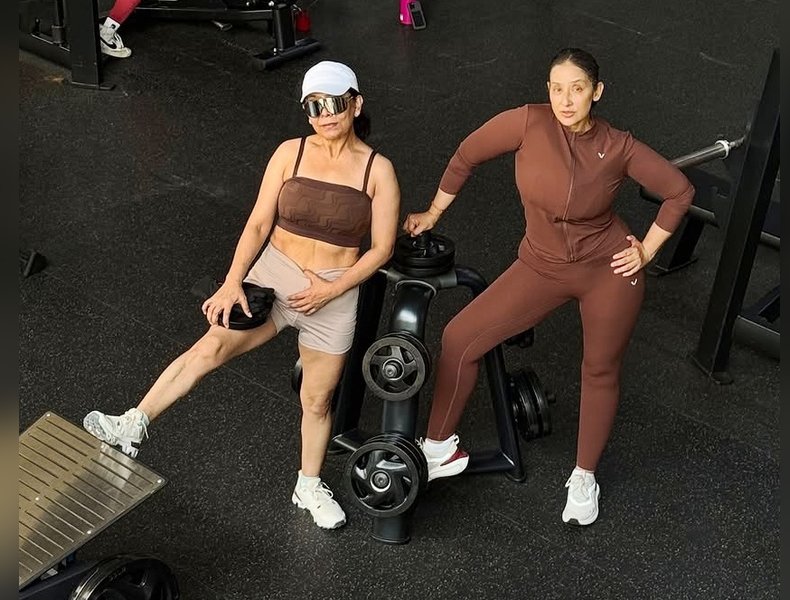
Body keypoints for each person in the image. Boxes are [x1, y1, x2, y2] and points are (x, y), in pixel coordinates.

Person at [83, 60, 401, 530]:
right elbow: (257, 223)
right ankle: (132, 423)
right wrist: (233, 281)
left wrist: (332, 289)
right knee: (209, 347)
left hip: (333, 292)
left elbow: (382, 249)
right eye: (314, 106)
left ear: (356, 104)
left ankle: (308, 485)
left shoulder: (378, 170)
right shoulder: (290, 153)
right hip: (274, 272)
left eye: (334, 103)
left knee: (316, 401)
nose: (324, 115)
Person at [403, 48, 694, 526]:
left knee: (598, 370)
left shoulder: (619, 146)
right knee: (459, 337)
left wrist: (646, 250)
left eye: (577, 89)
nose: (565, 99)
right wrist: (434, 212)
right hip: (541, 266)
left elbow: (679, 191)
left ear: (596, 92)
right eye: (557, 88)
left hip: (607, 272)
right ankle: (439, 448)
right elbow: (466, 155)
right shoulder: (527, 123)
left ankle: (584, 476)